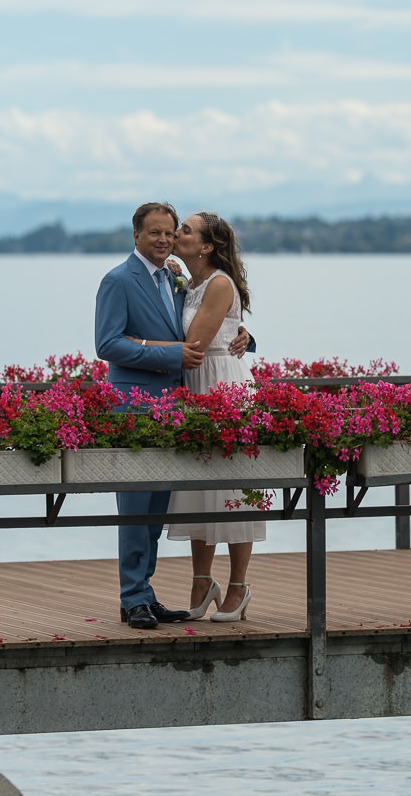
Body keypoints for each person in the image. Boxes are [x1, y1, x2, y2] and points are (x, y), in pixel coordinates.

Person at [94, 201, 250, 630]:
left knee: (158, 510)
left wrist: (245, 336)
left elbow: (211, 325)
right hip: (135, 404)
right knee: (134, 507)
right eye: (155, 233)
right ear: (136, 236)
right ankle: (133, 599)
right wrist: (166, 353)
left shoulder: (178, 279)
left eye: (170, 232)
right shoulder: (118, 280)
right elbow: (107, 345)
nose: (164, 240)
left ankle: (147, 592)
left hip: (177, 404)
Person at [163, 212, 260, 623]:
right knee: (199, 489)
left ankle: (238, 585)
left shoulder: (219, 283)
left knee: (232, 491)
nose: (175, 234)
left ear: (205, 247)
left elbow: (195, 342)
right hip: (196, 384)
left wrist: (136, 342)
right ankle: (202, 583)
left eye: (184, 230)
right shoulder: (191, 283)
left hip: (222, 385)